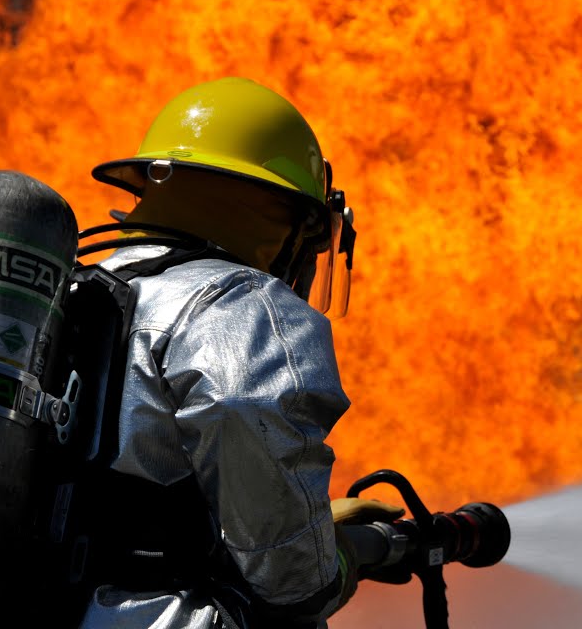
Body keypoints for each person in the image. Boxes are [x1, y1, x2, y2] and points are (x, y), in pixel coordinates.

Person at [72, 76, 403, 629]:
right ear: (285, 217)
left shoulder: (81, 285)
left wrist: (312, 518)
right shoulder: (240, 301)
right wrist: (333, 558)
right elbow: (293, 581)